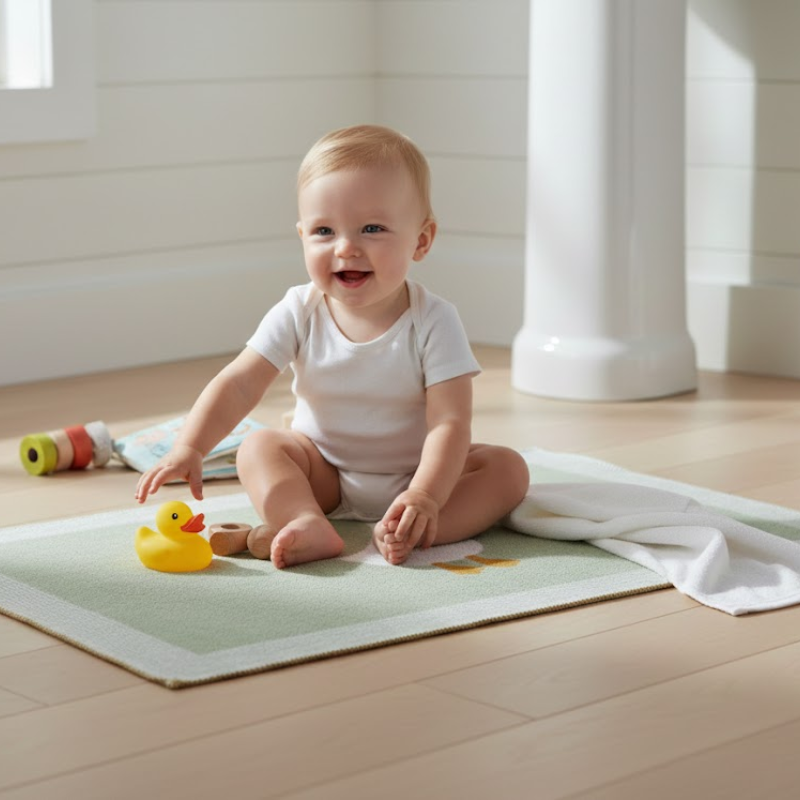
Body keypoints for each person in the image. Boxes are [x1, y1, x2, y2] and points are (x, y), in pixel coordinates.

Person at [135, 124, 530, 568]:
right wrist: (190, 447)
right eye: (324, 231)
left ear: (421, 240)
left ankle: (413, 527)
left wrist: (425, 494)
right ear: (302, 236)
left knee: (507, 470)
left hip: (417, 472)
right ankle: (304, 521)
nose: (345, 248)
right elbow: (240, 383)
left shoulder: (434, 320)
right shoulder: (298, 310)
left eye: (372, 228)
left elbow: (449, 423)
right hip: (323, 473)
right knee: (259, 448)